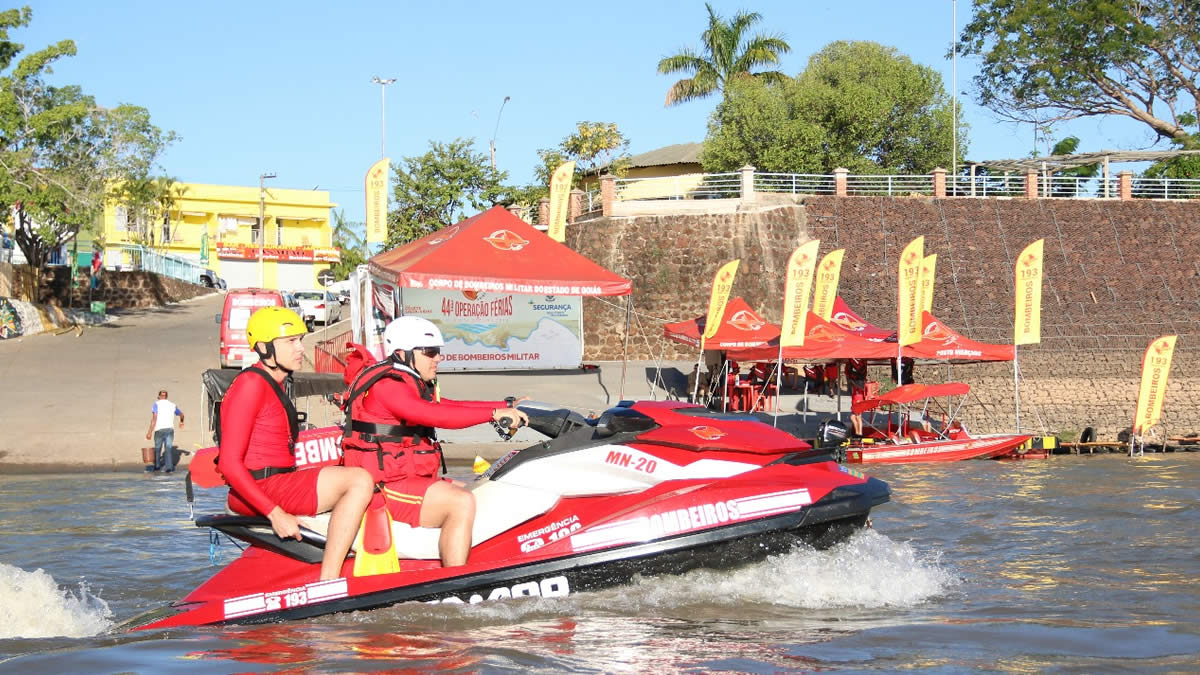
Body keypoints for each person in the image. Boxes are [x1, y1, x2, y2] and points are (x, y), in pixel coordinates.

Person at [341, 316, 529, 567]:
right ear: (403, 353)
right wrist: (492, 414)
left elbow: (446, 405)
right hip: (381, 486)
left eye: (438, 352)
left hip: (402, 477)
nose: (438, 358)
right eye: (430, 352)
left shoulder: (410, 381)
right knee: (460, 502)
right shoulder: (388, 386)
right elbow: (435, 415)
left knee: (476, 487)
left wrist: (505, 406)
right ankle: (456, 580)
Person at [217, 306, 374, 581]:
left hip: (278, 483)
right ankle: (328, 581)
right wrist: (275, 514)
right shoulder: (251, 384)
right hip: (262, 489)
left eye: (301, 339)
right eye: (291, 341)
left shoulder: (275, 383)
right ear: (265, 349)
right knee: (358, 481)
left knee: (363, 475)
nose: (301, 348)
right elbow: (229, 464)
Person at [145, 389, 184, 473]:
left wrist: (149, 432)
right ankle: (169, 469)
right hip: (169, 429)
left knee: (158, 448)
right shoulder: (172, 405)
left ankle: (157, 467)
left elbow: (154, 418)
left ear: (159, 396)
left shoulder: (156, 404)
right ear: (166, 397)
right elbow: (181, 414)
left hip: (159, 429)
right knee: (168, 449)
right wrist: (181, 422)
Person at [845, 359, 869, 436]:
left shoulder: (859, 383)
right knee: (853, 417)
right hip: (856, 398)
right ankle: (858, 432)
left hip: (858, 399)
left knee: (858, 417)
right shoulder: (857, 382)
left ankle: (859, 433)